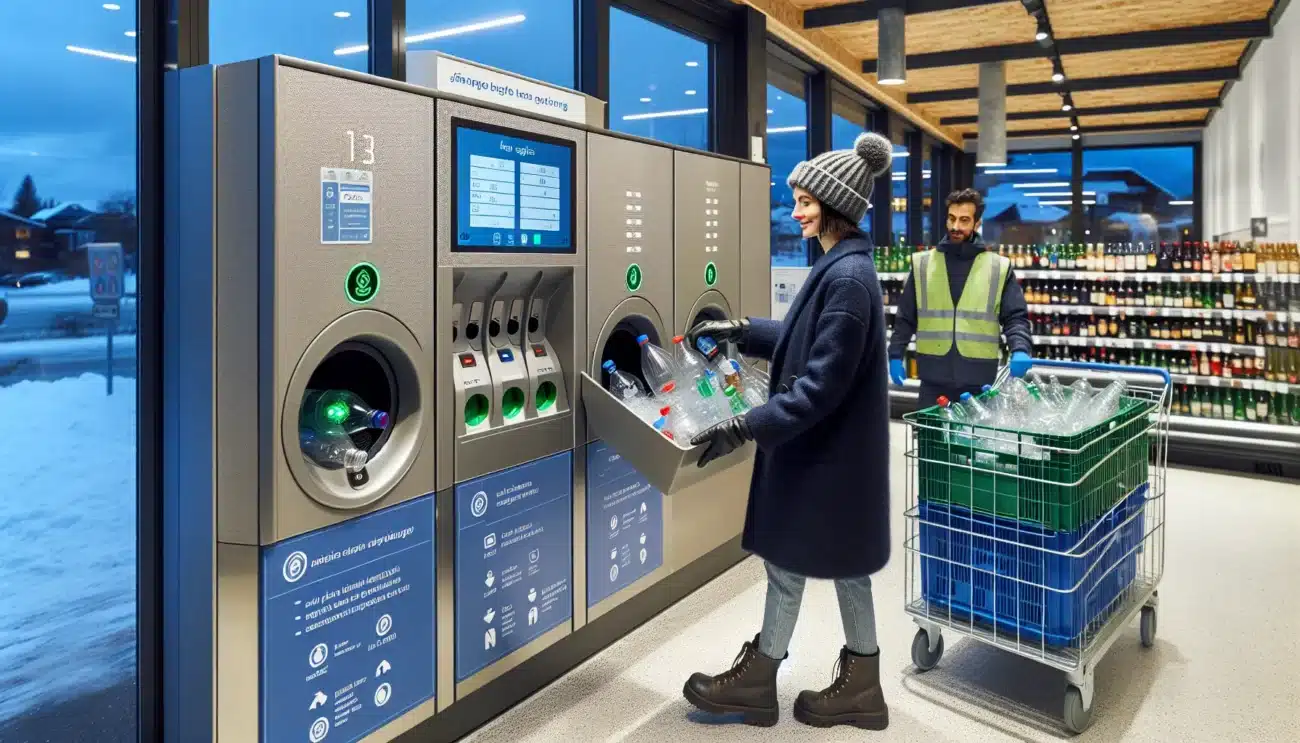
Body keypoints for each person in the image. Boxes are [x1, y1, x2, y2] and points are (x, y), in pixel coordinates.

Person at [681, 132, 894, 731]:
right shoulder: (843, 269)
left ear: (835, 207)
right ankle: (860, 682)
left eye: (804, 201)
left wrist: (746, 425)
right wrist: (744, 331)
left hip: (825, 453)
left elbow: (821, 384)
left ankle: (764, 679)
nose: (795, 210)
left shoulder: (848, 279)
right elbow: (806, 339)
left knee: (790, 562)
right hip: (837, 455)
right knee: (834, 564)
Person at [888, 188, 1033, 405]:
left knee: (972, 440)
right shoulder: (923, 264)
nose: (956, 227)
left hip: (980, 385)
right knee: (931, 439)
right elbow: (906, 317)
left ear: (977, 224)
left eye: (964, 220)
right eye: (952, 219)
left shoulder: (997, 267)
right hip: (933, 382)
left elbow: (1015, 317)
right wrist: (896, 353)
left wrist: (1020, 348)